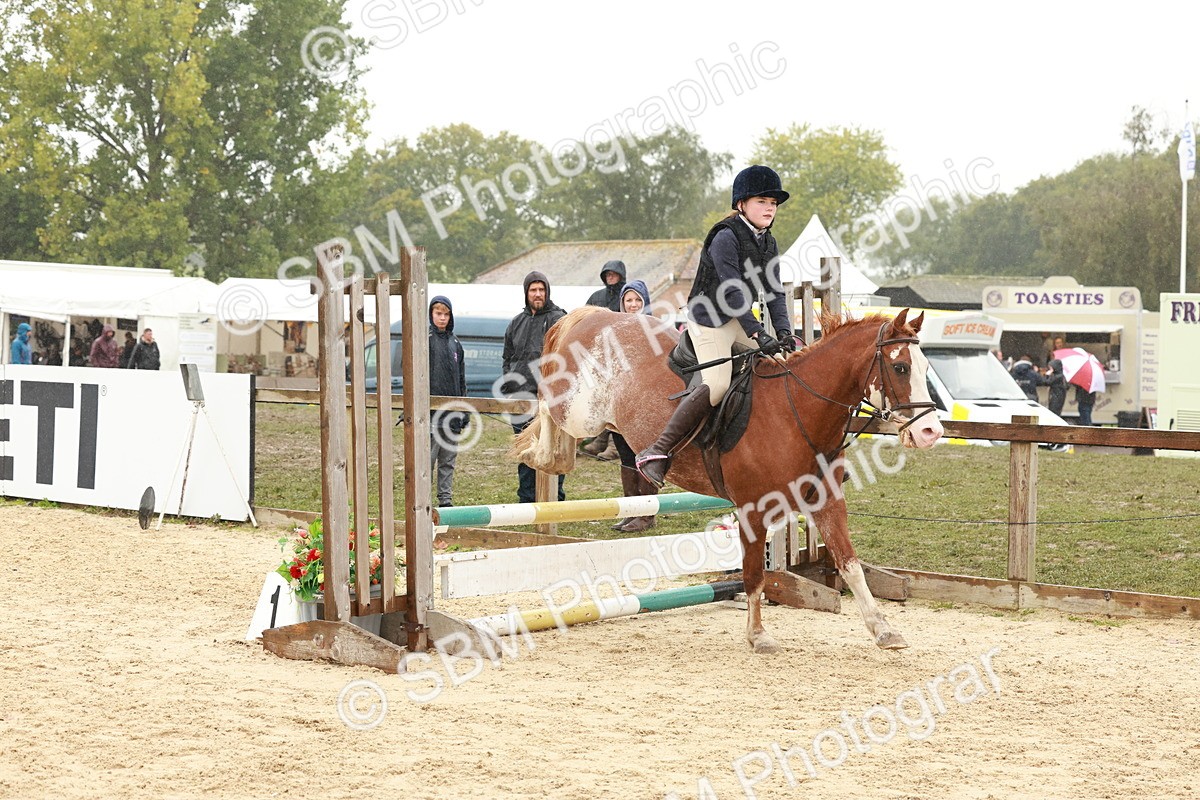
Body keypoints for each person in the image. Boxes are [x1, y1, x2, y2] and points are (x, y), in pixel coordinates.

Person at [636, 165, 795, 488]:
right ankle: (657, 452)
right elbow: (732, 290)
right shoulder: (725, 236)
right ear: (741, 205)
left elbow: (776, 292)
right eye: (762, 201)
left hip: (736, 319)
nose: (769, 208)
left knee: (783, 367)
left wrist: (784, 333)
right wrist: (756, 332)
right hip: (708, 319)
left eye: (773, 204)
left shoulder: (769, 243)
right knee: (718, 383)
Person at [502, 271, 567, 503]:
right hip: (521, 399)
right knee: (525, 451)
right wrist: (509, 383)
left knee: (553, 451)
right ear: (526, 293)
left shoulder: (560, 319)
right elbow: (507, 357)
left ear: (547, 291)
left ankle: (554, 501)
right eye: (533, 290)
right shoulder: (516, 323)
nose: (537, 294)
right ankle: (527, 500)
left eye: (541, 290)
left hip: (549, 401)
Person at [609, 280, 658, 532]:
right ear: (622, 303)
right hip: (621, 404)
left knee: (644, 456)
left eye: (638, 300)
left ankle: (647, 514)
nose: (633, 304)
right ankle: (631, 512)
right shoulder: (614, 332)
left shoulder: (655, 330)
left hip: (645, 405)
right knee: (626, 456)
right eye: (629, 300)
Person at [428, 296, 468, 507]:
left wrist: (464, 410)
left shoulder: (456, 344)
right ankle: (422, 498)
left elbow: (461, 379)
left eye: (446, 314)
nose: (442, 318)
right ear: (431, 315)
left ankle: (445, 500)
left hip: (452, 416)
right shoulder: (424, 341)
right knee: (428, 460)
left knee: (448, 460)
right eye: (438, 313)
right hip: (431, 415)